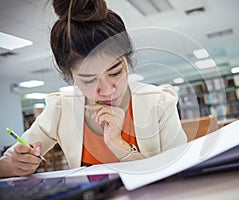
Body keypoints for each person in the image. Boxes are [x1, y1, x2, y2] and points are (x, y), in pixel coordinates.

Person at [0, 0, 187, 178]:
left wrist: (119, 145)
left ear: (127, 62)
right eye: (89, 80)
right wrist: (16, 165)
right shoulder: (60, 109)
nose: (106, 90)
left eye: (115, 73)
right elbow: (4, 164)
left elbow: (182, 171)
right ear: (70, 77)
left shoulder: (159, 102)